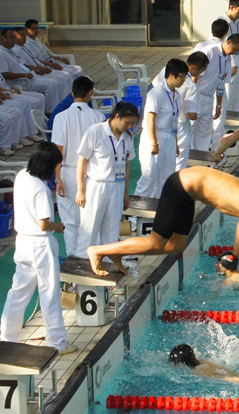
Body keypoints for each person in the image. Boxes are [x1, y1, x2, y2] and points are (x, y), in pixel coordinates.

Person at [87, 167, 239, 295]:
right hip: (180, 186)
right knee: (155, 242)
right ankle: (98, 250)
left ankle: (116, 251)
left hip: (189, 191)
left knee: (176, 246)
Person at [0, 142, 77, 354]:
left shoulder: (22, 175)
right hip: (40, 244)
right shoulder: (41, 189)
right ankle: (57, 342)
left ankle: (6, 338)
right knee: (48, 292)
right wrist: (58, 226)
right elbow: (44, 224)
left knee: (18, 292)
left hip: (22, 241)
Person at [75, 102, 139, 264]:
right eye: (127, 123)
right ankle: (83, 266)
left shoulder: (127, 137)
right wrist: (80, 190)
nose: (129, 126)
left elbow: (127, 165)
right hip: (96, 185)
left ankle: (110, 267)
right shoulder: (95, 132)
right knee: (89, 228)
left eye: (132, 123)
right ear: (117, 117)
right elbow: (82, 161)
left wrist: (125, 194)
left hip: (116, 186)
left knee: (111, 231)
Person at [52, 77, 106, 257]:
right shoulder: (97, 117)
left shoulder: (60, 117)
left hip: (67, 171)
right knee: (91, 219)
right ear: (90, 94)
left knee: (70, 221)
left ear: (72, 94)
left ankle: (72, 259)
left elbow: (58, 150)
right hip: (92, 173)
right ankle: (92, 257)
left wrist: (58, 178)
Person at [134, 59, 188, 198]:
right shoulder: (156, 93)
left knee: (166, 178)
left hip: (169, 137)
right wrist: (154, 142)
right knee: (149, 177)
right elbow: (150, 119)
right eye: (182, 77)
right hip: (154, 136)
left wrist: (175, 142)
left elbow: (174, 121)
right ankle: (135, 215)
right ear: (171, 75)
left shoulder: (177, 95)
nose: (184, 81)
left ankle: (160, 209)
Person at [151, 51, 210, 171]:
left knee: (162, 164)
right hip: (179, 126)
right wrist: (199, 115)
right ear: (194, 68)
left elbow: (154, 83)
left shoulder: (167, 72)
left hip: (163, 122)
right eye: (201, 71)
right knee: (179, 160)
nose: (200, 74)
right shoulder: (190, 86)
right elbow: (191, 114)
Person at [192, 30, 239, 151]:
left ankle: (203, 160)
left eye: (237, 51)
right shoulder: (210, 51)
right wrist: (191, 97)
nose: (234, 53)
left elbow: (221, 83)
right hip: (197, 95)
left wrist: (219, 105)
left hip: (210, 98)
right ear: (229, 42)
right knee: (191, 129)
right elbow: (194, 74)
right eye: (235, 49)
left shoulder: (227, 58)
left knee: (204, 132)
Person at [0, 29, 63, 113]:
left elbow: (22, 65)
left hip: (29, 76)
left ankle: (44, 117)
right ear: (3, 38)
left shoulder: (10, 50)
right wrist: (23, 75)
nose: (14, 40)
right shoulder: (2, 53)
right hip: (22, 81)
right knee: (51, 85)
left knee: (41, 97)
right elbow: (4, 74)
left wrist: (35, 69)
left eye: (15, 37)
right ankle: (51, 112)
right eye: (11, 37)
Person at [218, 0, 239, 134]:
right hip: (226, 58)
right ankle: (226, 124)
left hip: (237, 57)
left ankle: (238, 120)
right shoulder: (221, 22)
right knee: (227, 91)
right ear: (231, 7)